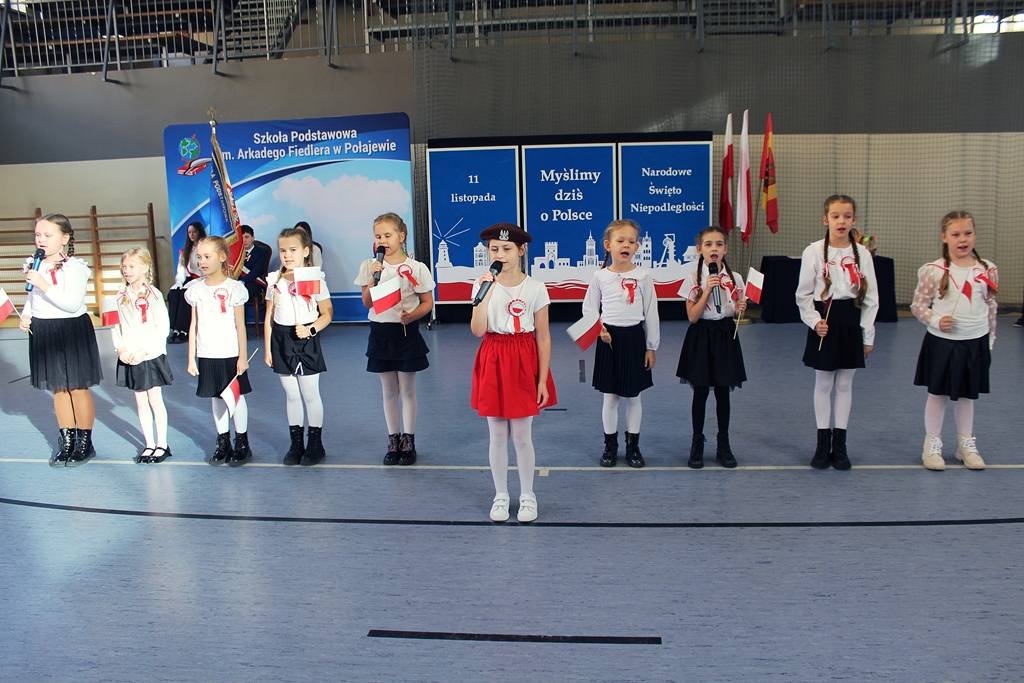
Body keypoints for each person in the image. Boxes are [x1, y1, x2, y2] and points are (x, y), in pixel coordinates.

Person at [471, 223, 556, 523]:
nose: (500, 254)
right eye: (494, 249)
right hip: (493, 355)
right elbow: (477, 330)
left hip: (523, 357)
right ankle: (501, 494)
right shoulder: (483, 284)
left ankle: (528, 495)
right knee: (497, 434)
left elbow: (543, 336)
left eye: (506, 249)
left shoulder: (535, 288)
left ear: (521, 251)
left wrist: (542, 379)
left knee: (521, 435)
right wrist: (484, 294)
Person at [795, 195, 878, 470]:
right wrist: (814, 321)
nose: (841, 221)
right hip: (825, 322)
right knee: (823, 384)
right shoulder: (813, 252)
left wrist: (867, 335)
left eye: (847, 216)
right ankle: (822, 445)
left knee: (844, 385)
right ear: (826, 219)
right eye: (835, 216)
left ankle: (840, 446)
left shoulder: (862, 254)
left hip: (851, 321)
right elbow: (803, 294)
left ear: (854, 220)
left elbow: (871, 299)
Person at [910, 211, 996, 471]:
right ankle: (932, 444)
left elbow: (991, 307)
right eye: (956, 234)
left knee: (967, 396)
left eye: (968, 233)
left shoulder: (987, 269)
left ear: (975, 235)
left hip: (975, 342)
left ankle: (965, 444)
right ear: (944, 237)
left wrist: (990, 342)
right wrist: (936, 320)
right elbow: (918, 305)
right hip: (942, 344)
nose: (963, 239)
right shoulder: (934, 270)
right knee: (938, 394)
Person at [21, 213, 103, 467]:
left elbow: (72, 304)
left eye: (48, 235)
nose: (41, 240)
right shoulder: (34, 264)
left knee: (77, 387)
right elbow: (32, 297)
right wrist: (26, 315)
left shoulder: (74, 267)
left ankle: (84, 443)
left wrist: (43, 283)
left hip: (71, 329)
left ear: (65, 238)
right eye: (38, 235)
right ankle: (66, 442)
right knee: (58, 387)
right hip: (44, 329)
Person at [355, 213, 434, 465]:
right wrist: (372, 279)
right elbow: (367, 303)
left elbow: (427, 302)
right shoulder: (369, 265)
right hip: (381, 333)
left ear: (401, 236)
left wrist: (412, 316)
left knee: (407, 390)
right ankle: (393, 439)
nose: (382, 241)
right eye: (378, 236)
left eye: (387, 235)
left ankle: (409, 441)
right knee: (389, 391)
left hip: (405, 333)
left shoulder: (416, 268)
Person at [581, 219, 660, 468]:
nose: (626, 245)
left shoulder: (644, 276)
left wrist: (651, 346)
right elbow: (588, 309)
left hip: (634, 339)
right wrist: (599, 330)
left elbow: (651, 312)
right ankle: (610, 445)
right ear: (608, 245)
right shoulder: (600, 277)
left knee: (633, 397)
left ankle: (633, 446)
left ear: (637, 247)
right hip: (609, 340)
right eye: (620, 240)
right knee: (611, 398)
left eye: (631, 241)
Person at [677, 226, 747, 469]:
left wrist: (739, 309)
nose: (714, 249)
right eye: (708, 244)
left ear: (725, 249)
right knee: (700, 391)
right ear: (700, 249)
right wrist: (707, 289)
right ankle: (697, 443)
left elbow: (735, 308)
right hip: (701, 334)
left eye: (718, 244)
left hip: (725, 334)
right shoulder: (692, 278)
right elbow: (692, 316)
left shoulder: (735, 278)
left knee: (722, 391)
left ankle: (723, 444)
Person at [264, 227, 333, 466]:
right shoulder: (274, 280)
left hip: (305, 338)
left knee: (309, 393)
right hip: (281, 339)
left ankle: (315, 444)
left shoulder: (314, 278)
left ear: (305, 251)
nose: (287, 255)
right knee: (292, 394)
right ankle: (296, 444)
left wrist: (311, 329)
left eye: (292, 250)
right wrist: (267, 348)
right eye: (283, 251)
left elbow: (327, 313)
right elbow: (269, 315)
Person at [185, 236, 253, 466]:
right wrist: (192, 358)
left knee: (235, 397)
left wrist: (242, 356)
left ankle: (242, 443)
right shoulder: (195, 290)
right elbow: (193, 325)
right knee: (216, 397)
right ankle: (223, 441)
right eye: (199, 257)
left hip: (230, 353)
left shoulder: (235, 288)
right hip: (207, 354)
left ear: (222, 257)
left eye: (207, 256)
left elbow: (240, 325)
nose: (202, 261)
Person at [112, 248, 174, 464]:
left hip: (149, 355)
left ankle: (162, 444)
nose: (126, 270)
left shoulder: (154, 295)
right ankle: (149, 444)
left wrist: (143, 350)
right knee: (140, 401)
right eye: (124, 266)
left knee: (155, 399)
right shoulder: (120, 295)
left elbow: (162, 328)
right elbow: (114, 325)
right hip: (130, 355)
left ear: (145, 267)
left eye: (132, 266)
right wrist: (121, 349)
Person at [167, 221, 205, 344]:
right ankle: (174, 329)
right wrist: (179, 282)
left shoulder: (205, 249)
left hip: (202, 279)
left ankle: (183, 330)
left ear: (199, 232)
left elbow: (206, 271)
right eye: (189, 232)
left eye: (194, 231)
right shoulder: (185, 251)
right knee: (173, 293)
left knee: (186, 293)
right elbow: (181, 270)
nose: (192, 234)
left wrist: (194, 282)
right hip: (188, 279)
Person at [239, 224, 268, 304]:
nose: (244, 240)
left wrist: (242, 281)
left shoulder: (260, 253)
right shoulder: (236, 253)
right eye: (241, 238)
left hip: (254, 282)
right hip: (238, 281)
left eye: (246, 237)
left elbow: (256, 272)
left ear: (252, 238)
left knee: (240, 290)